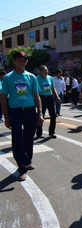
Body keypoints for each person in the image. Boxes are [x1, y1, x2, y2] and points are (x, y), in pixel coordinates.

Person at [1, 51, 44, 181]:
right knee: (17, 140)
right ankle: (22, 167)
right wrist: (6, 116)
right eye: (19, 60)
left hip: (30, 111)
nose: (22, 62)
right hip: (15, 112)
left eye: (24, 60)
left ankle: (28, 160)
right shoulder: (8, 78)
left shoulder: (31, 77)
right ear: (14, 61)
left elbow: (36, 96)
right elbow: (3, 98)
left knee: (29, 138)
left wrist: (40, 113)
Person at [36, 65, 60, 139]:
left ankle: (51, 132)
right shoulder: (37, 79)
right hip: (41, 98)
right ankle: (39, 133)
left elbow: (53, 88)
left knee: (53, 115)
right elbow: (35, 91)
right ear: (40, 71)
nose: (46, 71)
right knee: (41, 115)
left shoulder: (50, 78)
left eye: (47, 70)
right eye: (44, 70)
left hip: (50, 98)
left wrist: (57, 97)